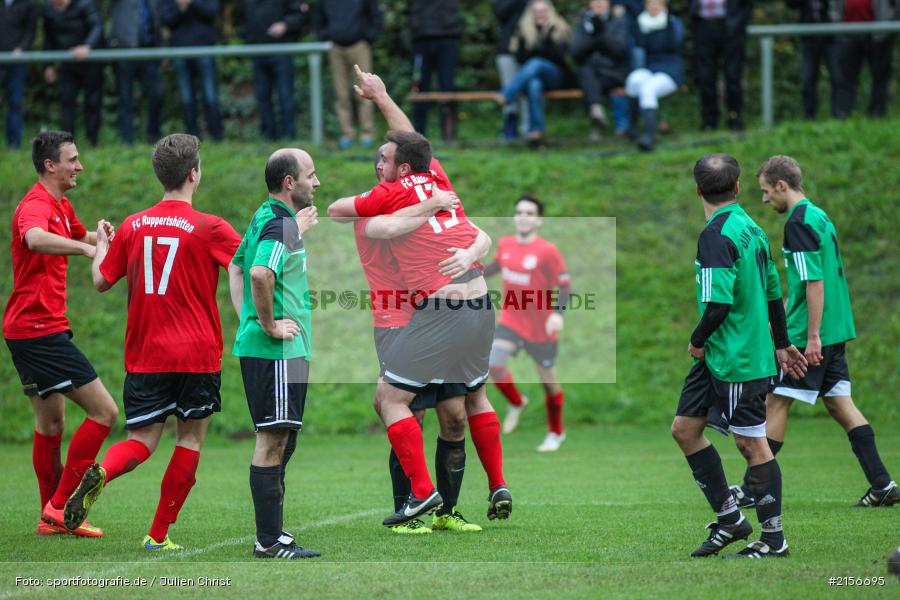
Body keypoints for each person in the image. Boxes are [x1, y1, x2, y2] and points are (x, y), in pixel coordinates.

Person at [328, 87, 511, 528]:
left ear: (400, 167)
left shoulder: (391, 191)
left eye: (384, 161)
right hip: (455, 311)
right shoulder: (438, 183)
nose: (378, 167)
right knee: (450, 404)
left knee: (407, 404)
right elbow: (408, 146)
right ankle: (460, 495)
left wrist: (381, 98)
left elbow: (338, 209)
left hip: (437, 313)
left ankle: (430, 501)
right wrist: (381, 96)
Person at [62, 134, 242, 550]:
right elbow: (252, 267)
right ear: (194, 173)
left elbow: (102, 280)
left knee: (140, 442)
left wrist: (104, 243)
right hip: (197, 354)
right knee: (190, 439)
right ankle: (157, 536)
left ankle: (103, 471)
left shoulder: (133, 224)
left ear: (159, 174)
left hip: (145, 355)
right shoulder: (210, 226)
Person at [730, 155, 898, 508]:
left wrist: (811, 337)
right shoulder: (819, 216)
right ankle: (882, 485)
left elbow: (815, 283)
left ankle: (753, 488)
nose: (763, 200)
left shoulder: (798, 223)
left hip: (813, 334)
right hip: (836, 328)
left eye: (765, 192)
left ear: (781, 185)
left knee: (775, 400)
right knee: (840, 405)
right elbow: (809, 280)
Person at [671, 153, 807, 559]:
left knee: (753, 446)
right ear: (737, 186)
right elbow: (772, 292)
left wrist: (696, 340)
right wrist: (782, 342)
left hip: (737, 359)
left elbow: (718, 305)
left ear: (697, 190)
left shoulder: (717, 236)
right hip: (720, 358)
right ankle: (731, 520)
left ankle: (774, 538)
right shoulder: (752, 228)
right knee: (684, 429)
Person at [3, 131, 118, 537]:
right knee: (105, 412)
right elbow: (34, 238)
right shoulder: (35, 205)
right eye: (73, 159)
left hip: (29, 330)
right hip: (38, 332)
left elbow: (78, 234)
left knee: (51, 426)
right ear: (51, 165)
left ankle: (49, 516)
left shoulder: (60, 205)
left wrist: (104, 238)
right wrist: (88, 251)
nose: (79, 166)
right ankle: (61, 506)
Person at [231, 148, 321, 559]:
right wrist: (266, 325)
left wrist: (247, 318)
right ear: (290, 183)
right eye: (311, 175)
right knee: (272, 439)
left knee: (283, 437)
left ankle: (274, 533)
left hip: (276, 348)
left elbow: (234, 266)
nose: (316, 183)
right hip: (276, 350)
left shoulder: (264, 216)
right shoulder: (280, 223)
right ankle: (268, 541)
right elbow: (258, 272)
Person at [485, 194, 571, 451]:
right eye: (519, 212)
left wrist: (557, 314)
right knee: (493, 364)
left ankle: (556, 432)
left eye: (529, 213)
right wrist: (467, 267)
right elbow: (493, 268)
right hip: (511, 320)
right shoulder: (506, 244)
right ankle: (516, 401)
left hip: (540, 327)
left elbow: (565, 286)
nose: (523, 217)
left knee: (549, 384)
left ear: (539, 220)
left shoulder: (547, 251)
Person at [498, 0, 573, 146]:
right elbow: (520, 59)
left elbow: (559, 58)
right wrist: (521, 43)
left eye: (543, 11)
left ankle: (507, 94)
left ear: (549, 12)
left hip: (556, 77)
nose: (540, 14)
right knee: (534, 84)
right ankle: (536, 131)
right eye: (536, 11)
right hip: (535, 77)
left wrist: (546, 37)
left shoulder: (559, 28)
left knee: (536, 62)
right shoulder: (524, 29)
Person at [316, 0, 382, 149]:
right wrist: (326, 35)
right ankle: (346, 134)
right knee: (341, 94)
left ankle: (367, 133)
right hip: (336, 48)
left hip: (359, 46)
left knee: (366, 90)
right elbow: (319, 20)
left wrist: (368, 36)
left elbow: (376, 16)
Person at [238, 0, 307, 141]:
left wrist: (285, 25)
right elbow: (240, 19)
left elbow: (299, 15)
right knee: (262, 96)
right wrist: (248, 36)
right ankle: (268, 135)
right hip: (257, 51)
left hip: (281, 51)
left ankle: (288, 135)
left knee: (285, 95)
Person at [158, 0, 224, 141]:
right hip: (179, 50)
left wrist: (191, 3)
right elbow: (165, 19)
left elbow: (212, 13)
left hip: (204, 47)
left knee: (210, 95)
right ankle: (192, 138)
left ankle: (217, 136)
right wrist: (180, 8)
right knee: (186, 97)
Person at [43, 0, 105, 146]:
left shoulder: (85, 4)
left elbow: (97, 26)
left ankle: (92, 141)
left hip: (91, 62)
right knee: (66, 101)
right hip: (67, 62)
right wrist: (48, 65)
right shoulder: (48, 9)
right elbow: (49, 37)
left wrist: (87, 45)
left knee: (93, 101)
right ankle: (66, 143)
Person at [624, 0, 683, 151]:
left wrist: (668, 24)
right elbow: (639, 44)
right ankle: (632, 129)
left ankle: (649, 136)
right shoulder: (642, 23)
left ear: (664, 6)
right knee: (633, 80)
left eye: (657, 4)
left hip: (670, 70)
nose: (654, 7)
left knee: (647, 89)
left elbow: (675, 43)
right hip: (650, 68)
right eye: (651, 4)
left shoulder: (672, 22)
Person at [571, 0, 631, 139]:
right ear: (590, 4)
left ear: (608, 4)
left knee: (588, 79)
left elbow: (619, 51)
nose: (598, 4)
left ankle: (597, 120)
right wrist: (594, 39)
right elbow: (575, 53)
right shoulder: (582, 23)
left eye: (602, 1)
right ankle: (598, 115)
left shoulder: (618, 21)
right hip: (592, 75)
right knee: (587, 74)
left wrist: (600, 34)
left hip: (613, 73)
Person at [689, 0, 752, 131]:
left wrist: (738, 23)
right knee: (706, 76)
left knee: (733, 75)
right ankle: (709, 121)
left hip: (731, 28)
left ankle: (735, 117)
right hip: (703, 26)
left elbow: (747, 6)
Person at [109, 0, 165, 144]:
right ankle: (126, 140)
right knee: (125, 97)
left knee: (157, 92)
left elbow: (157, 22)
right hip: (124, 50)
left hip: (149, 51)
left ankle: (153, 134)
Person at [829, 0, 897, 119]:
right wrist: (837, 24)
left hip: (879, 34)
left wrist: (889, 23)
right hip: (847, 33)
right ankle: (842, 116)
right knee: (844, 79)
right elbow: (833, 6)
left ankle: (877, 116)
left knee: (880, 77)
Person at [410, 0, 462, 141]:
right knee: (418, 87)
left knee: (448, 87)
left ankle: (449, 136)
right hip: (420, 40)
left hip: (448, 38)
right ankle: (417, 137)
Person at [787, 0, 838, 120]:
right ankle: (809, 116)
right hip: (809, 36)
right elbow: (791, 4)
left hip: (832, 36)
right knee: (808, 78)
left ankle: (839, 115)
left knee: (837, 77)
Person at [0, 0, 37, 149]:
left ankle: (13, 144)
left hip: (16, 60)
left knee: (15, 102)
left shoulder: (28, 4)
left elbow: (30, 31)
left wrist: (22, 48)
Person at [492, 0, 530, 140]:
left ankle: (527, 129)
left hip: (530, 49)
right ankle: (511, 123)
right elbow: (499, 12)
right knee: (509, 87)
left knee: (527, 90)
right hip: (506, 49)